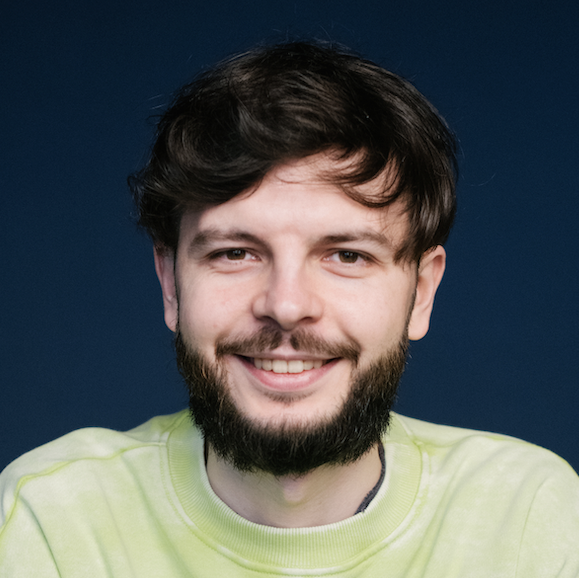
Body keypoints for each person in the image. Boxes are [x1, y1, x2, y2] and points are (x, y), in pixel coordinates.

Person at [1, 40, 578, 577]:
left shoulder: (531, 519)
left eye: (347, 255)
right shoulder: (51, 520)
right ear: (171, 284)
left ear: (421, 292)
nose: (286, 305)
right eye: (235, 253)